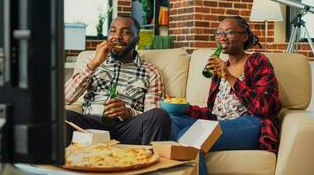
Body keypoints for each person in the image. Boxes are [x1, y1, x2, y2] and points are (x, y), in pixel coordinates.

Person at [170, 16, 281, 174]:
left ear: (244, 36)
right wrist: (182, 107)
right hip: (219, 123)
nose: (222, 37)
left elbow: (262, 106)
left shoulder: (257, 61)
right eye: (219, 33)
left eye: (228, 32)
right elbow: (213, 112)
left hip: (252, 123)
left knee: (188, 136)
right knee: (168, 120)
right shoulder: (221, 68)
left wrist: (228, 76)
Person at [65, 16, 171, 145]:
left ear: (137, 39)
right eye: (113, 31)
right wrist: (94, 64)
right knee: (62, 115)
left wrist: (128, 112)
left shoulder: (150, 72)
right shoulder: (92, 62)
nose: (117, 36)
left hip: (127, 127)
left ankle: (149, 162)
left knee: (159, 116)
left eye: (125, 32)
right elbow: (66, 98)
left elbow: (152, 112)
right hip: (91, 125)